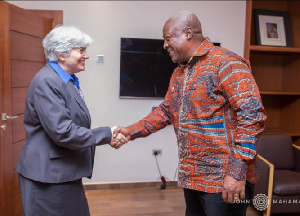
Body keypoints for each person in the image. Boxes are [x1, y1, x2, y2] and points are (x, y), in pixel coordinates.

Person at [113, 11, 267, 216]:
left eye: (168, 38)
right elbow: (166, 111)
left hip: (224, 180)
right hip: (192, 177)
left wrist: (237, 171)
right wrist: (130, 131)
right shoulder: (179, 72)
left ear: (187, 33)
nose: (164, 45)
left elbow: (252, 115)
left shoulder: (227, 62)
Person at [16, 25, 127, 216]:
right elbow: (64, 132)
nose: (86, 55)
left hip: (63, 173)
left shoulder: (67, 80)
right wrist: (108, 133)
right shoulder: (47, 81)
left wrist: (107, 135)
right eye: (81, 50)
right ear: (61, 53)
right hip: (48, 178)